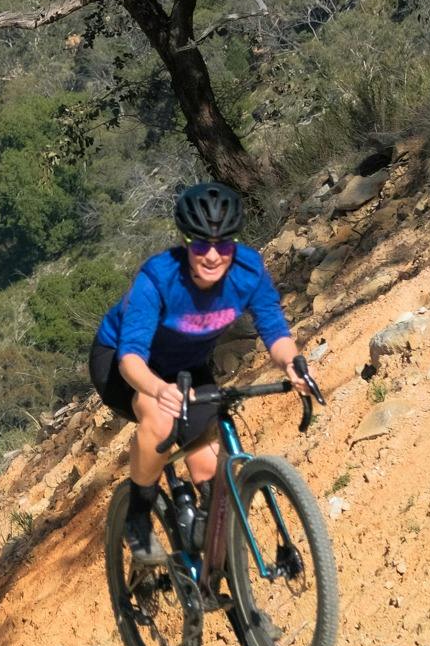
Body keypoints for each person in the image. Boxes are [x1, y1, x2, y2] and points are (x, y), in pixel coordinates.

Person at [89, 181, 306, 564]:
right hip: (123, 364)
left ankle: (218, 574)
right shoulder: (158, 278)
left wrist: (293, 363)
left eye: (222, 245)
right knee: (158, 418)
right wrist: (157, 390)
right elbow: (131, 360)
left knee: (209, 468)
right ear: (185, 241)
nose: (211, 255)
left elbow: (275, 331)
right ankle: (138, 516)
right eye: (199, 244)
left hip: (188, 367)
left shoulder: (248, 271)